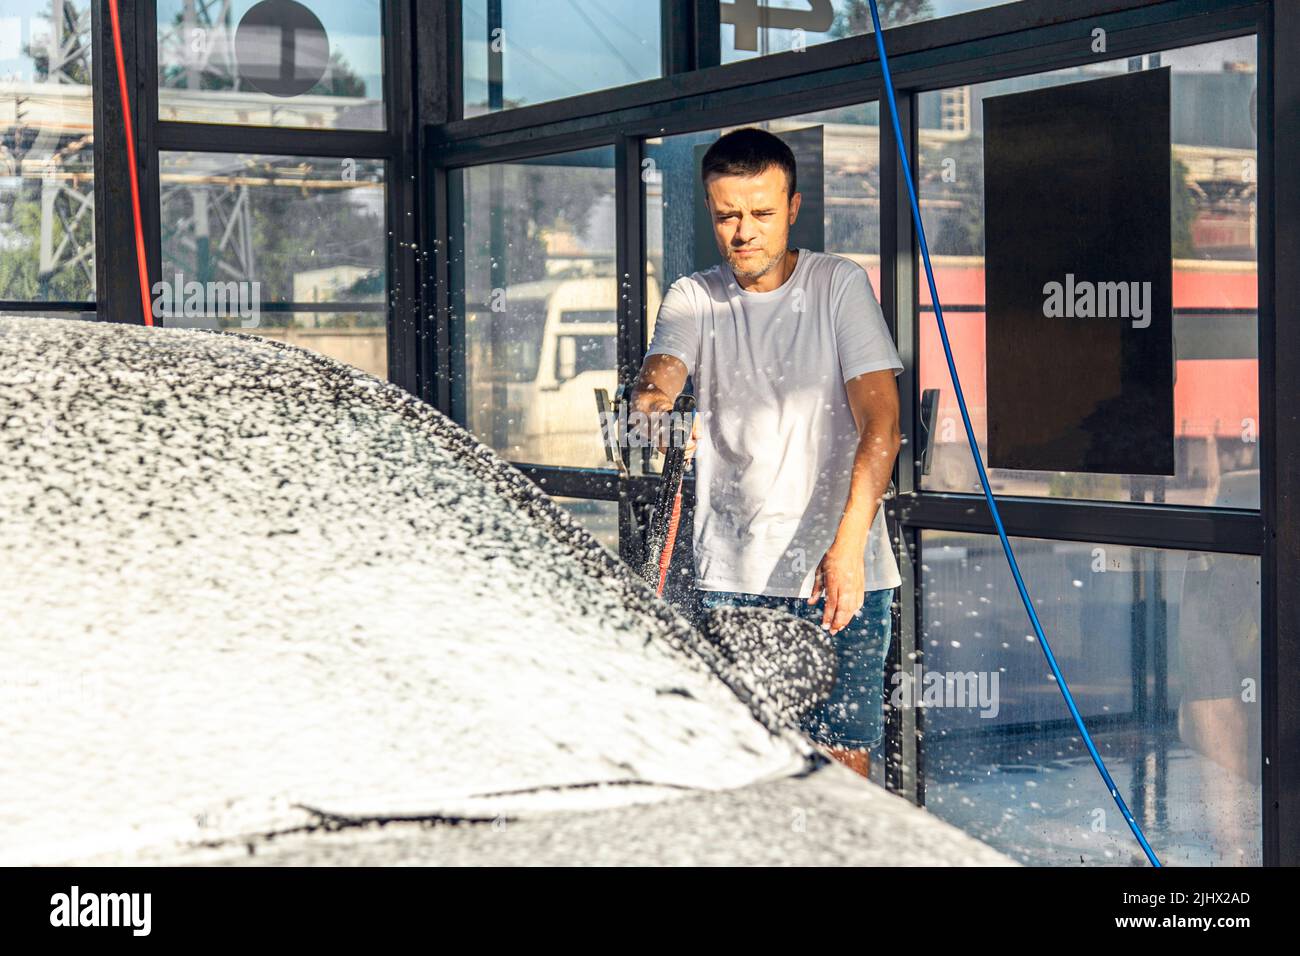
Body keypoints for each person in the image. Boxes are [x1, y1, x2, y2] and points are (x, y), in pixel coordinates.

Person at [629, 127, 904, 779]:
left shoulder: (838, 285)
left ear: (794, 208)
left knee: (839, 770)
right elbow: (659, 376)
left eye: (760, 213)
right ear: (711, 213)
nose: (743, 231)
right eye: (727, 215)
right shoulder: (694, 297)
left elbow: (882, 427)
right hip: (734, 581)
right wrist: (653, 408)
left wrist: (845, 551)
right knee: (750, 769)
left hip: (838, 576)